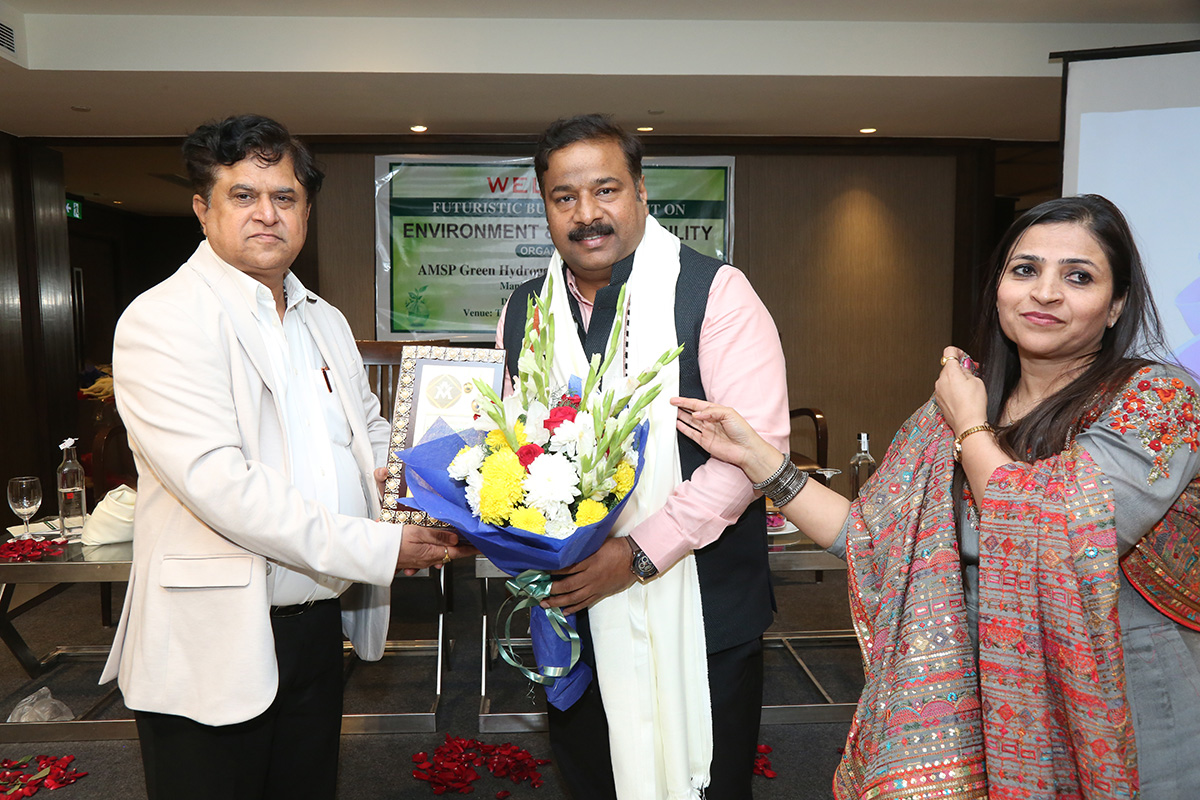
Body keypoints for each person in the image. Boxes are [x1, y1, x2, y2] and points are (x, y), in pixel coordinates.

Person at [674, 194, 1200, 799]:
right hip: (972, 700)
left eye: (1078, 277)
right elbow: (870, 536)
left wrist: (971, 428)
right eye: (1025, 269)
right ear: (998, 288)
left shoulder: (1157, 402)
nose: (1045, 292)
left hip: (1124, 700)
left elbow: (1047, 531)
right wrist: (760, 460)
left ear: (1117, 305)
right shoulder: (959, 403)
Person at [102, 114, 472, 800]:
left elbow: (371, 432)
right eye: (243, 195)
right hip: (212, 639)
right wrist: (380, 547)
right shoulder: (164, 319)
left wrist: (428, 486)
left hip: (316, 625)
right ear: (202, 208)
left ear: (306, 212)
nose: (266, 213)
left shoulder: (324, 319)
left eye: (285, 197)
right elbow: (222, 486)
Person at [496, 114, 789, 799]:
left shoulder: (716, 293)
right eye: (564, 197)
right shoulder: (524, 309)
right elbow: (510, 446)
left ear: (641, 191)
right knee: (590, 777)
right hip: (572, 607)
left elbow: (754, 455)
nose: (586, 214)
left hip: (703, 604)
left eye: (606, 190)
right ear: (545, 206)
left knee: (708, 783)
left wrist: (635, 555)